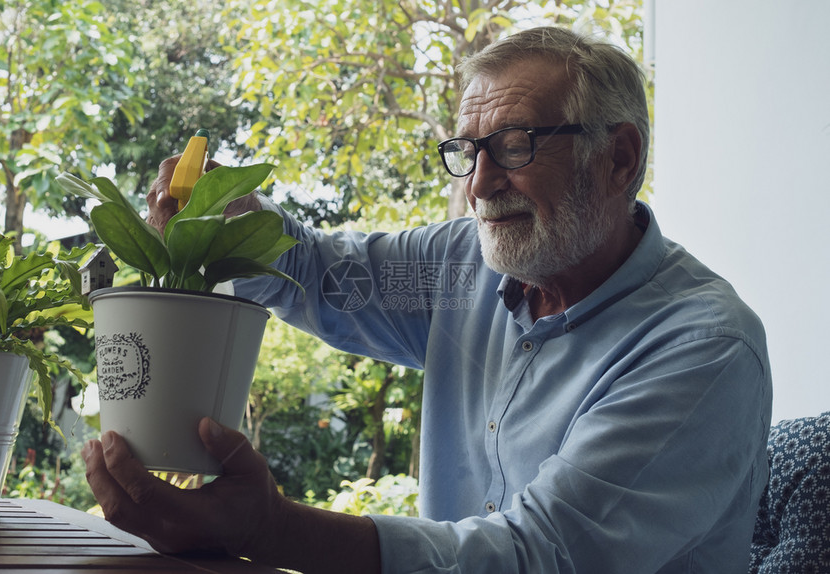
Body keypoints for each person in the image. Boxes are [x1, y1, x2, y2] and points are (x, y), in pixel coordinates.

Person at [82, 26, 773, 573]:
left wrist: (270, 527)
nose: (478, 185)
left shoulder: (702, 349)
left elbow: (541, 559)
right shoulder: (457, 265)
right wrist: (228, 218)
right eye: (467, 152)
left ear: (619, 159)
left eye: (512, 145)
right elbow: (320, 274)